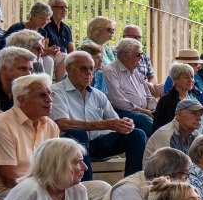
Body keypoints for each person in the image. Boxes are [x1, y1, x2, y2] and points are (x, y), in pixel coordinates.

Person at [52, 51, 146, 180]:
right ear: (68, 69)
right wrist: (104, 124)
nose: (89, 73)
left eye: (91, 69)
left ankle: (132, 184)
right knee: (78, 133)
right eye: (83, 68)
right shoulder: (56, 91)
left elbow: (114, 121)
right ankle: (87, 184)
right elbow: (63, 124)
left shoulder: (98, 94)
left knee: (137, 134)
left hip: (96, 143)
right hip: (69, 146)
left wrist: (125, 123)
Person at [0, 74, 60, 196]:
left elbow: (55, 167)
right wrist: (48, 192)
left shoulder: (51, 126)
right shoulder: (0, 124)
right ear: (21, 100)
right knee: (38, 194)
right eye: (42, 95)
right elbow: (9, 180)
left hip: (43, 188)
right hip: (9, 192)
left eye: (50, 94)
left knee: (97, 188)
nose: (49, 99)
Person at [100, 38, 157, 133]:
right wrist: (143, 111)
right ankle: (164, 146)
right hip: (122, 112)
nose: (141, 57)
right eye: (138, 54)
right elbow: (117, 101)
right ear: (125, 55)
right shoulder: (110, 72)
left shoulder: (134, 71)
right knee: (144, 119)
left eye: (142, 54)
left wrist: (153, 109)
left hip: (142, 111)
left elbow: (148, 95)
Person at [0, 47, 36, 124]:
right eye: (22, 69)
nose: (28, 74)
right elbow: (0, 123)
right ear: (4, 69)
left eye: (30, 69)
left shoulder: (26, 88)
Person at [150, 62, 196, 134]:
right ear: (175, 79)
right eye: (186, 77)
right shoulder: (168, 99)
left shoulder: (192, 98)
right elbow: (166, 128)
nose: (191, 80)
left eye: (192, 77)